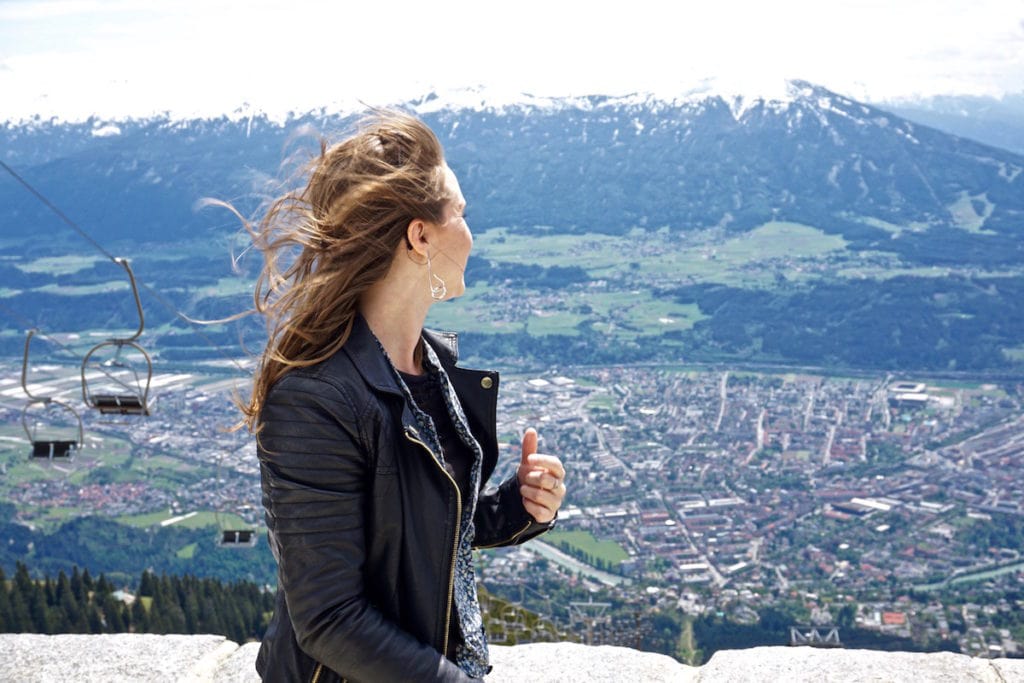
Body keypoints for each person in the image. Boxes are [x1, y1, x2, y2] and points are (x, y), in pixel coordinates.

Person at [239, 110, 567, 682]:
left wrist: (519, 507)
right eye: (460, 214)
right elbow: (327, 616)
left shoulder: (432, 366)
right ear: (420, 236)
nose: (471, 231)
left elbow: (421, 533)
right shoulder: (314, 398)